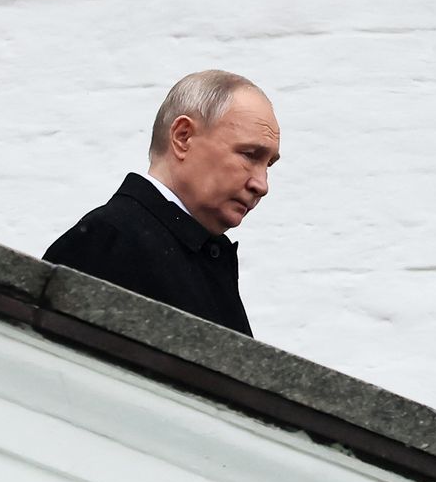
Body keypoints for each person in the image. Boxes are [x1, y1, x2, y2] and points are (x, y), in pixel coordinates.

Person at [44, 70, 279, 337]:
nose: (262, 184)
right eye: (250, 155)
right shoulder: (109, 240)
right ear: (183, 137)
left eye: (268, 164)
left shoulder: (197, 253)